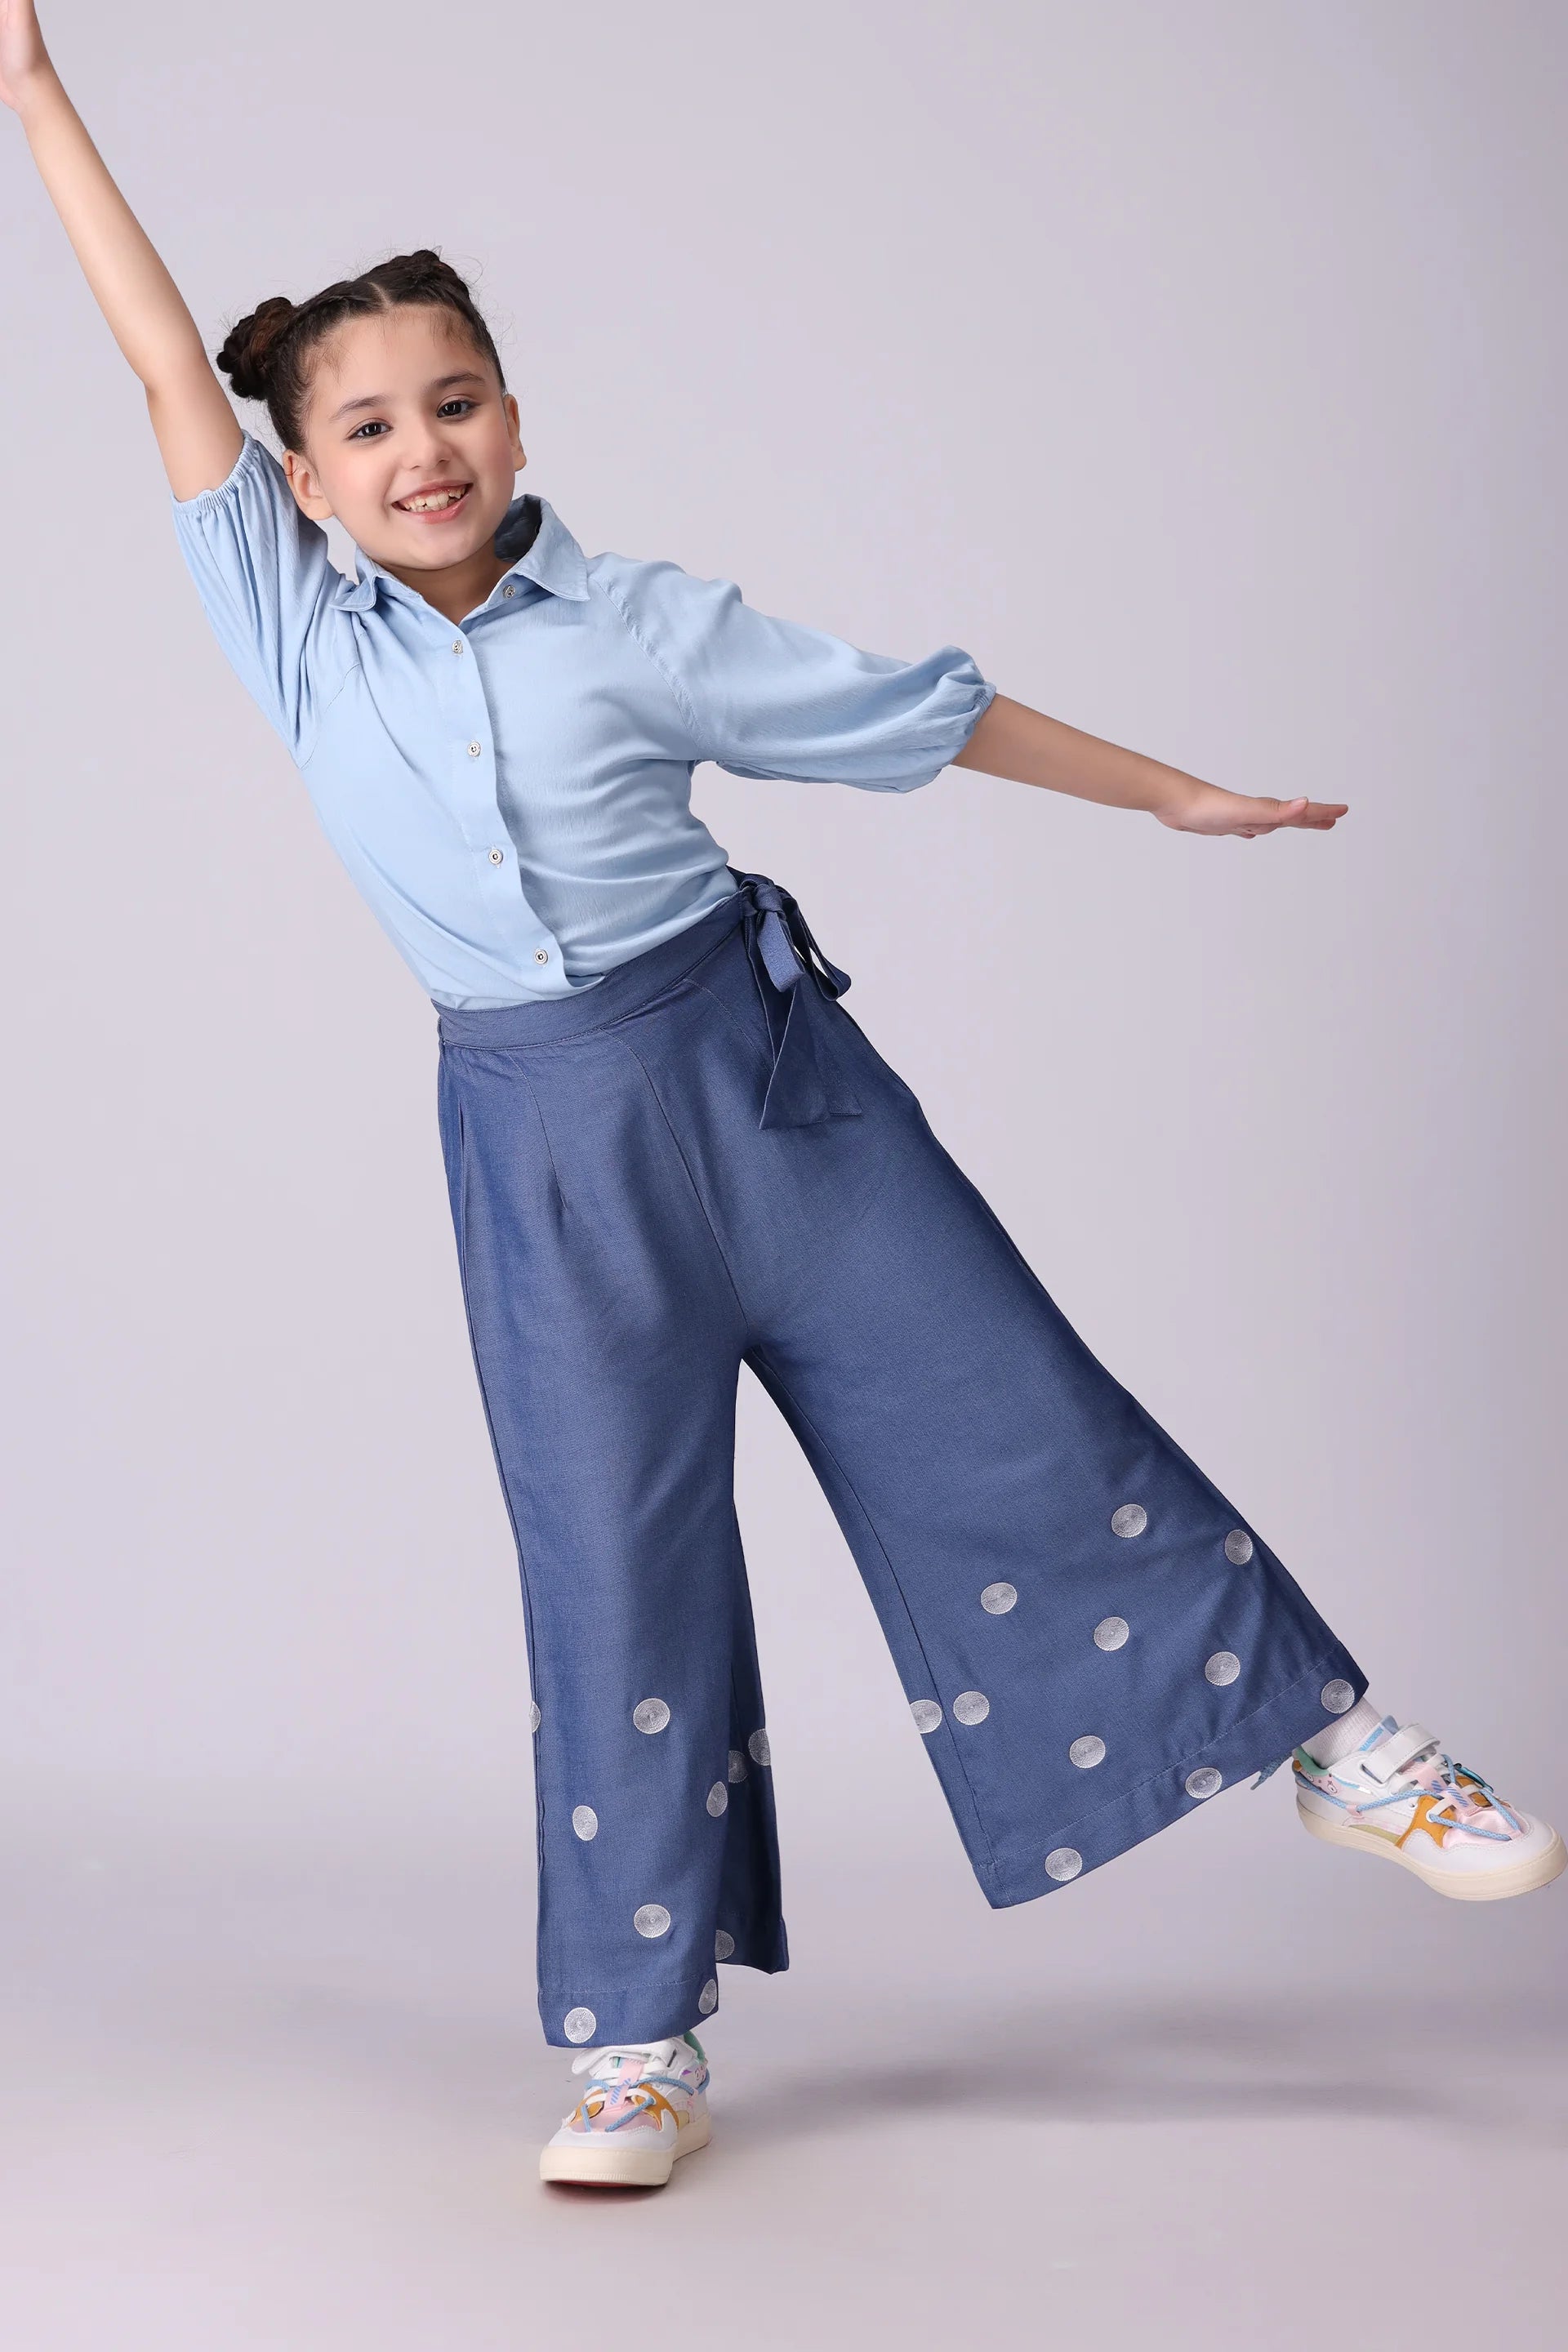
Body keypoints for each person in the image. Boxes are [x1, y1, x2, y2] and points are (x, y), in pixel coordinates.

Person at [7, 0, 1560, 2197]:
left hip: (775, 1094)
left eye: (456, 400)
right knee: (609, 1571)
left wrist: (1169, 795)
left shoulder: (640, 621)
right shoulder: (295, 631)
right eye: (365, 426)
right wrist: (36, 94)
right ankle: (635, 2047)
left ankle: (1337, 1746)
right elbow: (161, 353)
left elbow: (918, 712)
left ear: (514, 414)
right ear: (304, 479)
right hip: (551, 1158)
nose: (423, 448)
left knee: (1016, 1406)